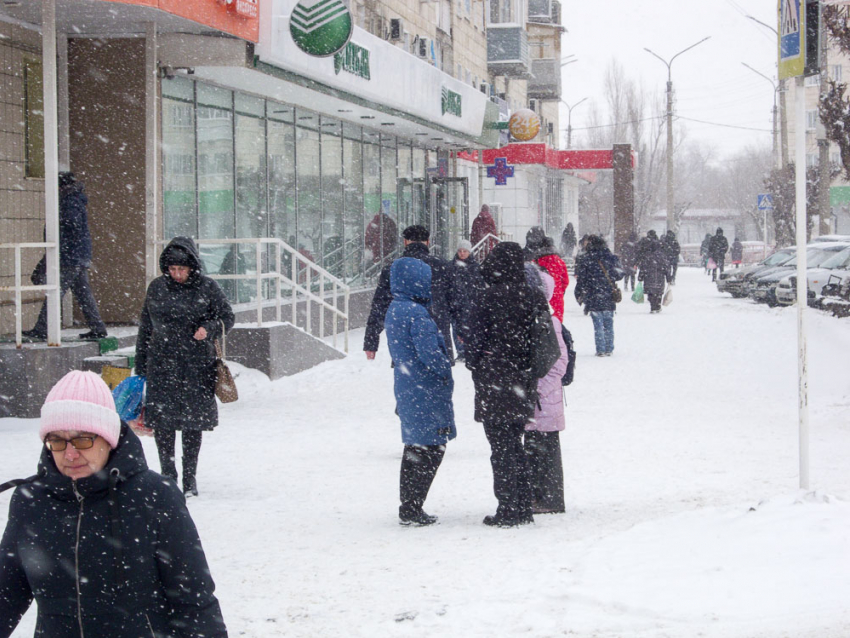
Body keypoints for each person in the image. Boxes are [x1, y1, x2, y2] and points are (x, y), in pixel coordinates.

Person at [0, 370, 228, 637]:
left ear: (108, 438)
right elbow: (7, 593)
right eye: (57, 441)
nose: (70, 453)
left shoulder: (154, 495)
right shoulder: (31, 500)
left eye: (83, 439)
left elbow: (194, 600)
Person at [135, 237, 235, 497]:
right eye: (172, 269)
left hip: (196, 365)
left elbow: (227, 316)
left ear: (192, 266)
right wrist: (141, 366)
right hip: (162, 364)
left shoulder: (207, 287)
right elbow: (145, 328)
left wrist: (209, 328)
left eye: (182, 269)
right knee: (163, 424)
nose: (177, 274)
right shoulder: (156, 288)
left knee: (192, 425)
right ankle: (168, 476)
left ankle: (190, 479)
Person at [465, 242, 551, 527]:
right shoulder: (534, 296)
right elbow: (544, 338)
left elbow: (473, 341)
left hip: (493, 380)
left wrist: (478, 364)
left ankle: (508, 507)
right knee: (516, 443)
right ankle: (523, 504)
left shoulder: (487, 296)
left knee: (501, 447)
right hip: (523, 378)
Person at [384, 258, 456, 526]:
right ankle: (413, 506)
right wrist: (445, 370)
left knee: (415, 446)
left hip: (408, 386)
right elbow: (430, 354)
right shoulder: (417, 313)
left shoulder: (395, 309)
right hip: (425, 388)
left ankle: (409, 504)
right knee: (432, 447)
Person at [23, 172, 108, 341]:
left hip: (69, 256)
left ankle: (42, 329)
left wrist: (59, 230)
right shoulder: (74, 199)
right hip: (76, 255)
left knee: (56, 292)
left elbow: (70, 225)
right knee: (83, 294)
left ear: (60, 186)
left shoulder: (69, 201)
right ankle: (98, 327)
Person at [363, 225, 452, 360]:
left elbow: (380, 305)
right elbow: (457, 300)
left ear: (405, 242)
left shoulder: (393, 268)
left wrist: (371, 340)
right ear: (428, 242)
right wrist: (464, 332)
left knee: (407, 376)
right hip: (436, 331)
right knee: (438, 374)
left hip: (404, 334)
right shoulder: (442, 266)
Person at [524, 270, 569, 515]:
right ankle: (539, 496)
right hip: (538, 399)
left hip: (544, 399)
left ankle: (549, 499)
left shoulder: (550, 322)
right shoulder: (540, 318)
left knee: (546, 451)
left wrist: (537, 390)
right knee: (535, 449)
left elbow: (559, 363)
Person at [574, 235, 623, 356]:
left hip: (593, 294)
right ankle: (609, 348)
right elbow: (619, 274)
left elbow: (582, 280)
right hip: (608, 294)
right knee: (608, 323)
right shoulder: (610, 258)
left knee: (598, 324)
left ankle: (600, 349)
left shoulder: (586, 259)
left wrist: (579, 293)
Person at [447, 239, 484, 360]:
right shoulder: (452, 266)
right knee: (456, 326)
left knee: (469, 326)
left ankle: (468, 350)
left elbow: (479, 285)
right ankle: (461, 351)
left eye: (465, 251)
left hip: (470, 302)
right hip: (456, 302)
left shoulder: (475, 267)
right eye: (460, 251)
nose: (462, 253)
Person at [525, 226, 570, 322]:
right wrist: (560, 290)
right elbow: (565, 281)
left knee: (542, 327)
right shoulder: (559, 261)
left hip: (541, 297)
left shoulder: (535, 262)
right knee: (557, 326)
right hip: (557, 297)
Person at [638, 231, 671, 313]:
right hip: (659, 277)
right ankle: (658, 305)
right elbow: (666, 268)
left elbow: (643, 267)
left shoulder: (647, 256)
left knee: (651, 292)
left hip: (649, 277)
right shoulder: (662, 256)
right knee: (658, 292)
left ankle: (653, 306)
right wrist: (668, 277)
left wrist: (640, 276)